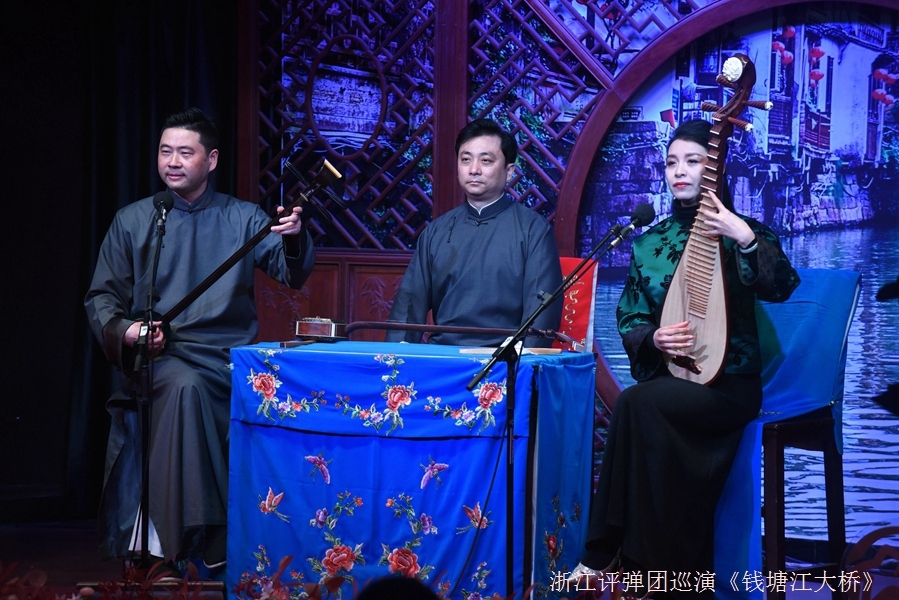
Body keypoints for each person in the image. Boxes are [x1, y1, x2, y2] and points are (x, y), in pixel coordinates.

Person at [569, 119, 800, 598]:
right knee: (643, 404)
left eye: (692, 161)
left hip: (730, 386)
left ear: (714, 170)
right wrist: (654, 339)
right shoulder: (648, 244)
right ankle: (654, 573)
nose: (679, 171)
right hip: (675, 380)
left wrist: (743, 236)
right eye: (672, 162)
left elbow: (780, 287)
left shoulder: (746, 232)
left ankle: (609, 552)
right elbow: (631, 316)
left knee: (636, 403)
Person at [84, 107, 315, 574]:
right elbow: (102, 296)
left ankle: (221, 541)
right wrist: (128, 330)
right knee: (184, 388)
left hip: (225, 358)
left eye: (185, 153)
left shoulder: (243, 218)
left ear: (210, 160)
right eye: (165, 151)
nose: (172, 162)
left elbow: (289, 270)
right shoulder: (134, 220)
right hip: (159, 357)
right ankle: (183, 543)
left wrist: (293, 237)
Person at [386, 118, 563, 347]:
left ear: (509, 171)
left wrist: (520, 359)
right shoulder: (436, 232)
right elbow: (409, 304)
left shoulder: (533, 230)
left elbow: (542, 311)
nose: (474, 170)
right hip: (443, 355)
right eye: (465, 159)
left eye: (486, 160)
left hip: (503, 359)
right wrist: (397, 358)